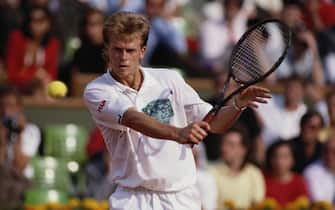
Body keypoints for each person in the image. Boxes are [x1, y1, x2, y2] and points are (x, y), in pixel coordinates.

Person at [83, 12, 271, 210]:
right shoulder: (97, 90)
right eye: (117, 50)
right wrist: (178, 133)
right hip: (132, 199)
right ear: (107, 50)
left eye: (130, 50)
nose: (123, 58)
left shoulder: (170, 79)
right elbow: (133, 119)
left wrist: (237, 105)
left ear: (142, 51)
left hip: (181, 198)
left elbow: (215, 124)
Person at [4, 6, 60, 98]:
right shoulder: (17, 38)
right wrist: (34, 75)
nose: (36, 24)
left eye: (41, 20)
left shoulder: (53, 44)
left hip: (41, 90)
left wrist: (41, 79)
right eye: (33, 20)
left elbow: (51, 76)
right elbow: (11, 74)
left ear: (49, 23)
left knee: (42, 92)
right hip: (15, 90)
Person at [209, 125, 265, 209]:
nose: (224, 148)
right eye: (223, 143)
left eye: (231, 145)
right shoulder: (211, 172)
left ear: (243, 149)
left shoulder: (254, 173)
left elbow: (258, 204)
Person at [0, 85, 41, 177]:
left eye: (10, 106)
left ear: (19, 107)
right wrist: (2, 143)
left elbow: (19, 167)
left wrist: (19, 134)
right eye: (1, 105)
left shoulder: (31, 131)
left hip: (21, 182)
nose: (5, 111)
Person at [264, 140, 309, 207]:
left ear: (293, 160)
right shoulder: (262, 178)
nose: (279, 161)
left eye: (285, 157)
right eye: (275, 156)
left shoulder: (299, 182)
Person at [303, 135, 335, 204]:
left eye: (334, 152)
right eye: (326, 151)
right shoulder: (311, 172)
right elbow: (320, 203)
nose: (329, 156)